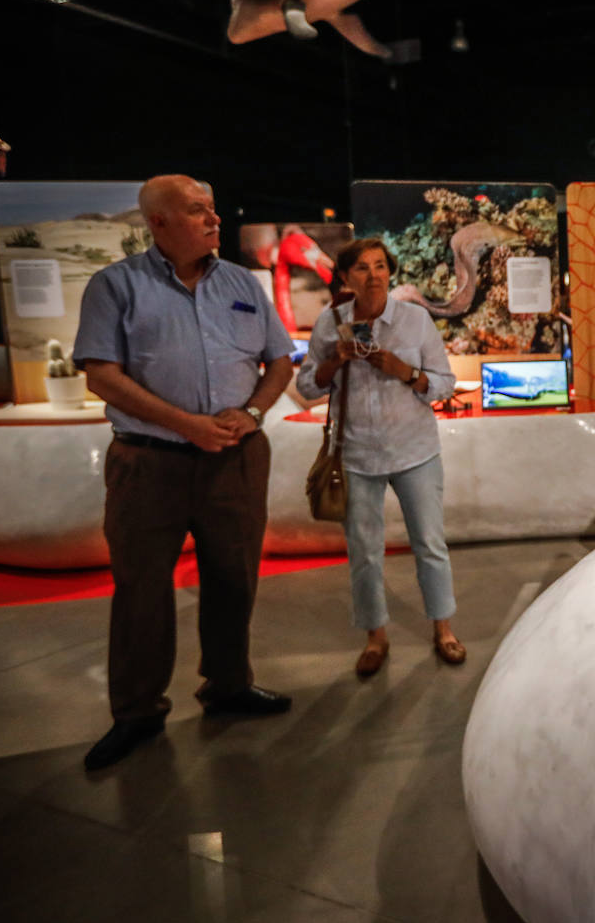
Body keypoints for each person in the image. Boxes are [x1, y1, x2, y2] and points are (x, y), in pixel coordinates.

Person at [74, 174, 297, 771]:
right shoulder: (114, 286)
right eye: (198, 211)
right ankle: (137, 712)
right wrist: (186, 423)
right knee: (142, 589)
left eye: (213, 210)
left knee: (234, 577)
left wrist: (252, 412)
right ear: (159, 222)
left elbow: (279, 360)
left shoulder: (240, 282)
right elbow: (101, 374)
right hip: (149, 465)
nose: (213, 220)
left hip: (236, 459)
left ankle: (228, 686)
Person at [296, 237, 465, 676]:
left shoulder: (415, 320)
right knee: (365, 552)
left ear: (390, 272)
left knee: (429, 543)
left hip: (415, 451)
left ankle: (443, 628)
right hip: (355, 454)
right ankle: (375, 636)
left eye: (380, 266)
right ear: (346, 278)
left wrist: (405, 372)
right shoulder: (330, 323)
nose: (373, 276)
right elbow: (308, 388)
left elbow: (445, 384)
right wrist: (334, 360)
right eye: (362, 268)